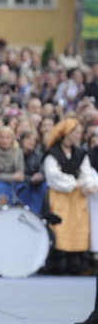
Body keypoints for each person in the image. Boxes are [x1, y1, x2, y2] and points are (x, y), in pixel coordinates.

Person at [43, 118, 97, 275]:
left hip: (77, 198)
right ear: (67, 133)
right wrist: (74, 183)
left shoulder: (81, 153)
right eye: (76, 132)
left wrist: (89, 184)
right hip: (60, 196)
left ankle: (77, 266)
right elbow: (53, 175)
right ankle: (60, 266)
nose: (79, 136)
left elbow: (86, 173)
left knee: (78, 228)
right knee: (60, 229)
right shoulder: (53, 153)